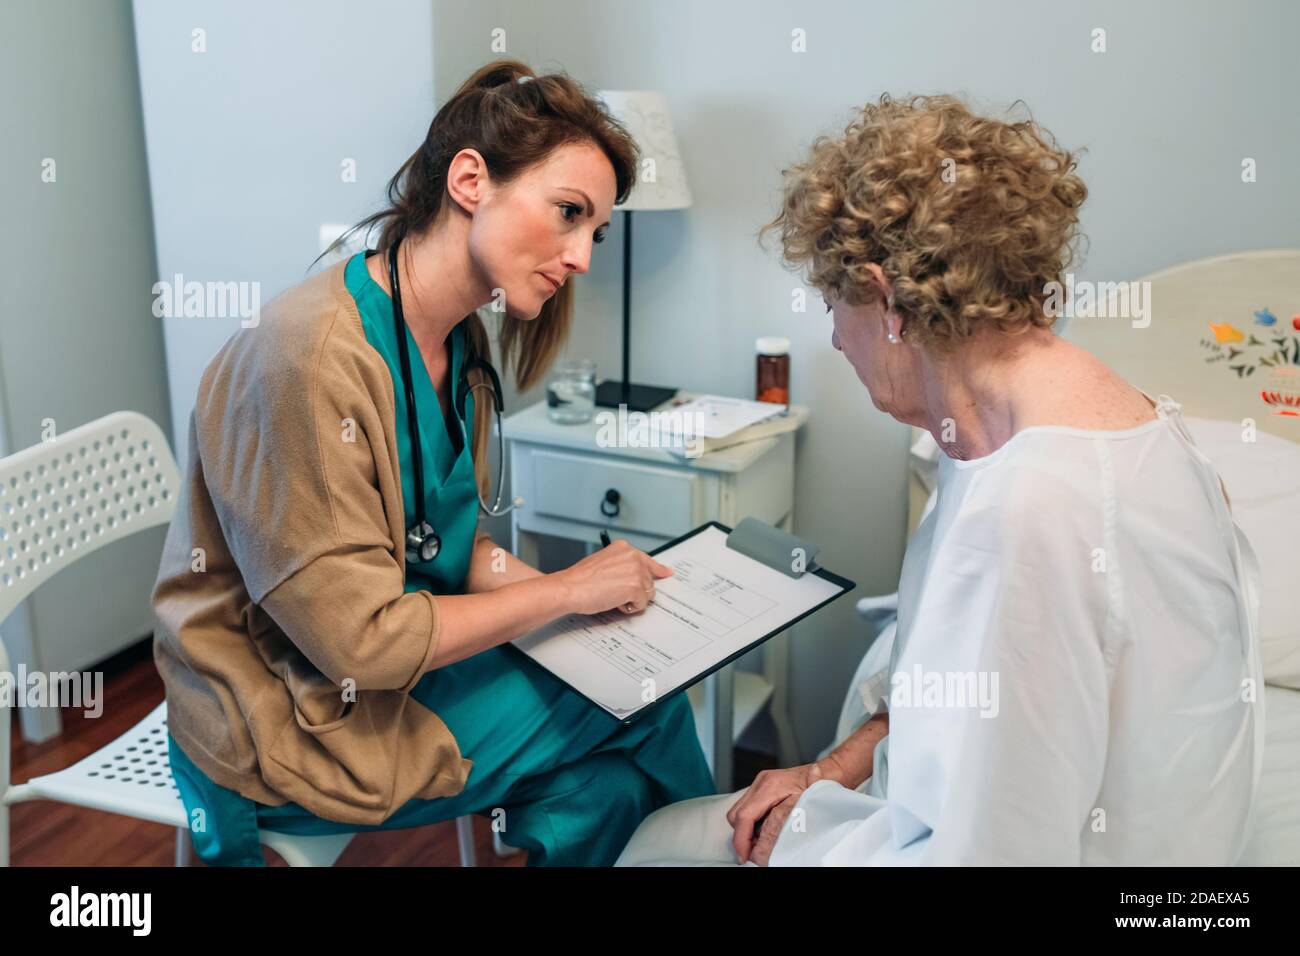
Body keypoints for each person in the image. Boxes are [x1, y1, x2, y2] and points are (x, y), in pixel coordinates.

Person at [617, 93, 1264, 866]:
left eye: (833, 303)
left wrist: (807, 837)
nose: (832, 335)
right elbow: (983, 702)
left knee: (660, 842)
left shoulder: (1028, 510)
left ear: (885, 297)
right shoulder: (1121, 431)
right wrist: (831, 772)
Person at [154, 59, 714, 867]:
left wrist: (577, 602)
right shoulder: (307, 361)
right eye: (567, 213)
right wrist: (565, 591)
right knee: (648, 702)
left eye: (594, 231)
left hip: (390, 680)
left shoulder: (458, 345)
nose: (582, 257)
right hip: (283, 716)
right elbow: (362, 644)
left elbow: (440, 544)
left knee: (609, 789)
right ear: (470, 180)